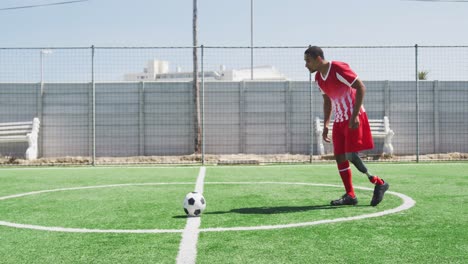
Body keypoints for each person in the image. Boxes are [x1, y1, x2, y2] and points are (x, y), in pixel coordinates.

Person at [304, 46, 389, 206]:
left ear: (318, 59)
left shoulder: (337, 68)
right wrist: (327, 124)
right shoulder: (318, 79)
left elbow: (361, 87)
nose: (306, 65)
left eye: (308, 61)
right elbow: (327, 101)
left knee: (350, 155)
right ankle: (350, 195)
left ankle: (379, 182)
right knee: (340, 157)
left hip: (354, 117)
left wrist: (355, 114)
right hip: (339, 120)